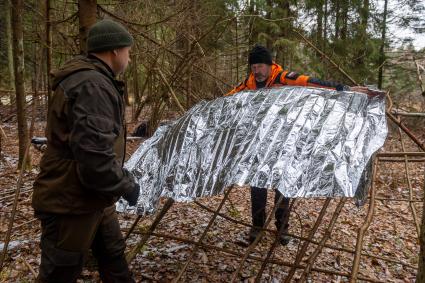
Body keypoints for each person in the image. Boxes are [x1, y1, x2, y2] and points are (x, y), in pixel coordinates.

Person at [226, 44, 376, 245]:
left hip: (283, 144)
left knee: (282, 186)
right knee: (257, 185)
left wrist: (346, 89)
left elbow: (312, 83)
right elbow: (225, 100)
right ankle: (257, 227)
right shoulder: (249, 84)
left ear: (269, 65)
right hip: (259, 146)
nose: (257, 71)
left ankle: (283, 230)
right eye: (253, 67)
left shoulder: (283, 78)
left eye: (260, 66)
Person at [32, 19, 140, 283]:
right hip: (70, 201)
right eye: (128, 50)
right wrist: (125, 185)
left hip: (93, 197)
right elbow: (94, 159)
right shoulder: (93, 86)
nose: (129, 57)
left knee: (113, 258)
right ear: (114, 50)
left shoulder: (92, 80)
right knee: (60, 271)